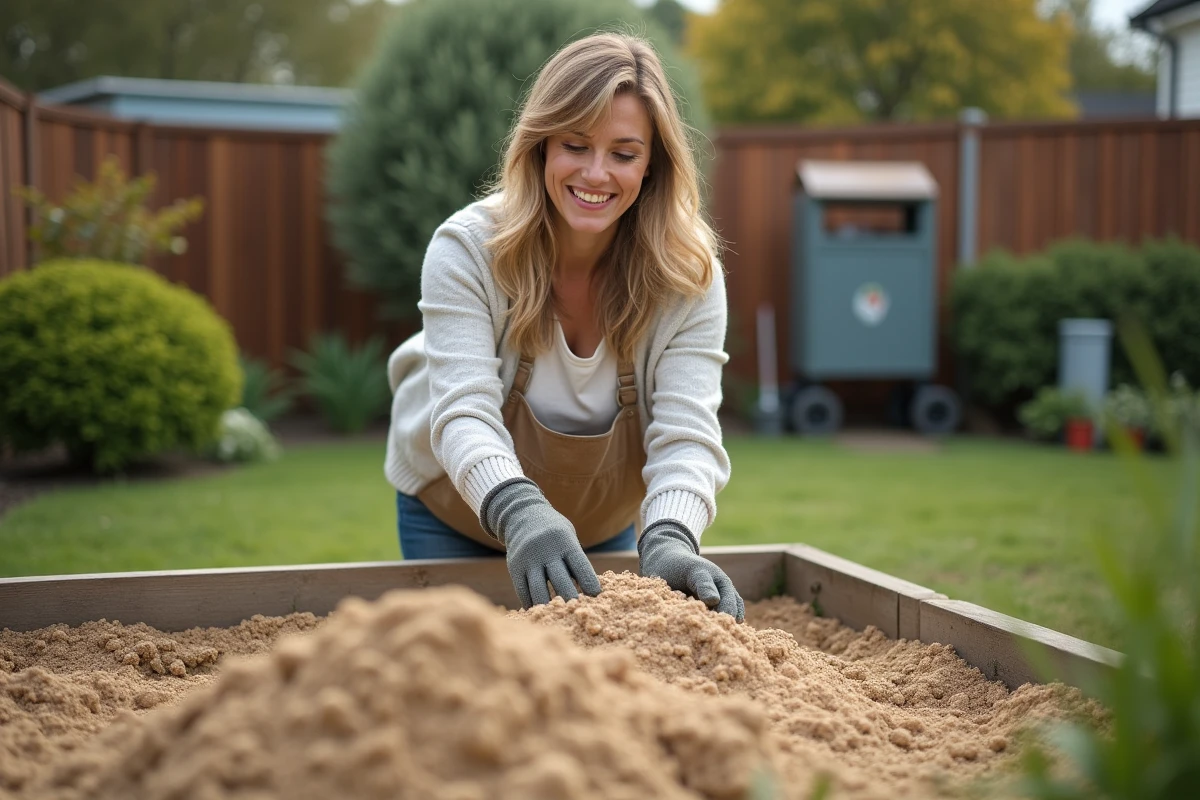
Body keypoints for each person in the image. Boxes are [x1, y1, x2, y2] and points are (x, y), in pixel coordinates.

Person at [383, 31, 742, 621]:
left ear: (652, 165)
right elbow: (464, 413)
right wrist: (521, 509)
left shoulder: (688, 276)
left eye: (624, 153)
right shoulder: (468, 249)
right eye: (576, 145)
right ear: (542, 145)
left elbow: (686, 435)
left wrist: (671, 538)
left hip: (600, 526)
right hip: (451, 511)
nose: (597, 173)